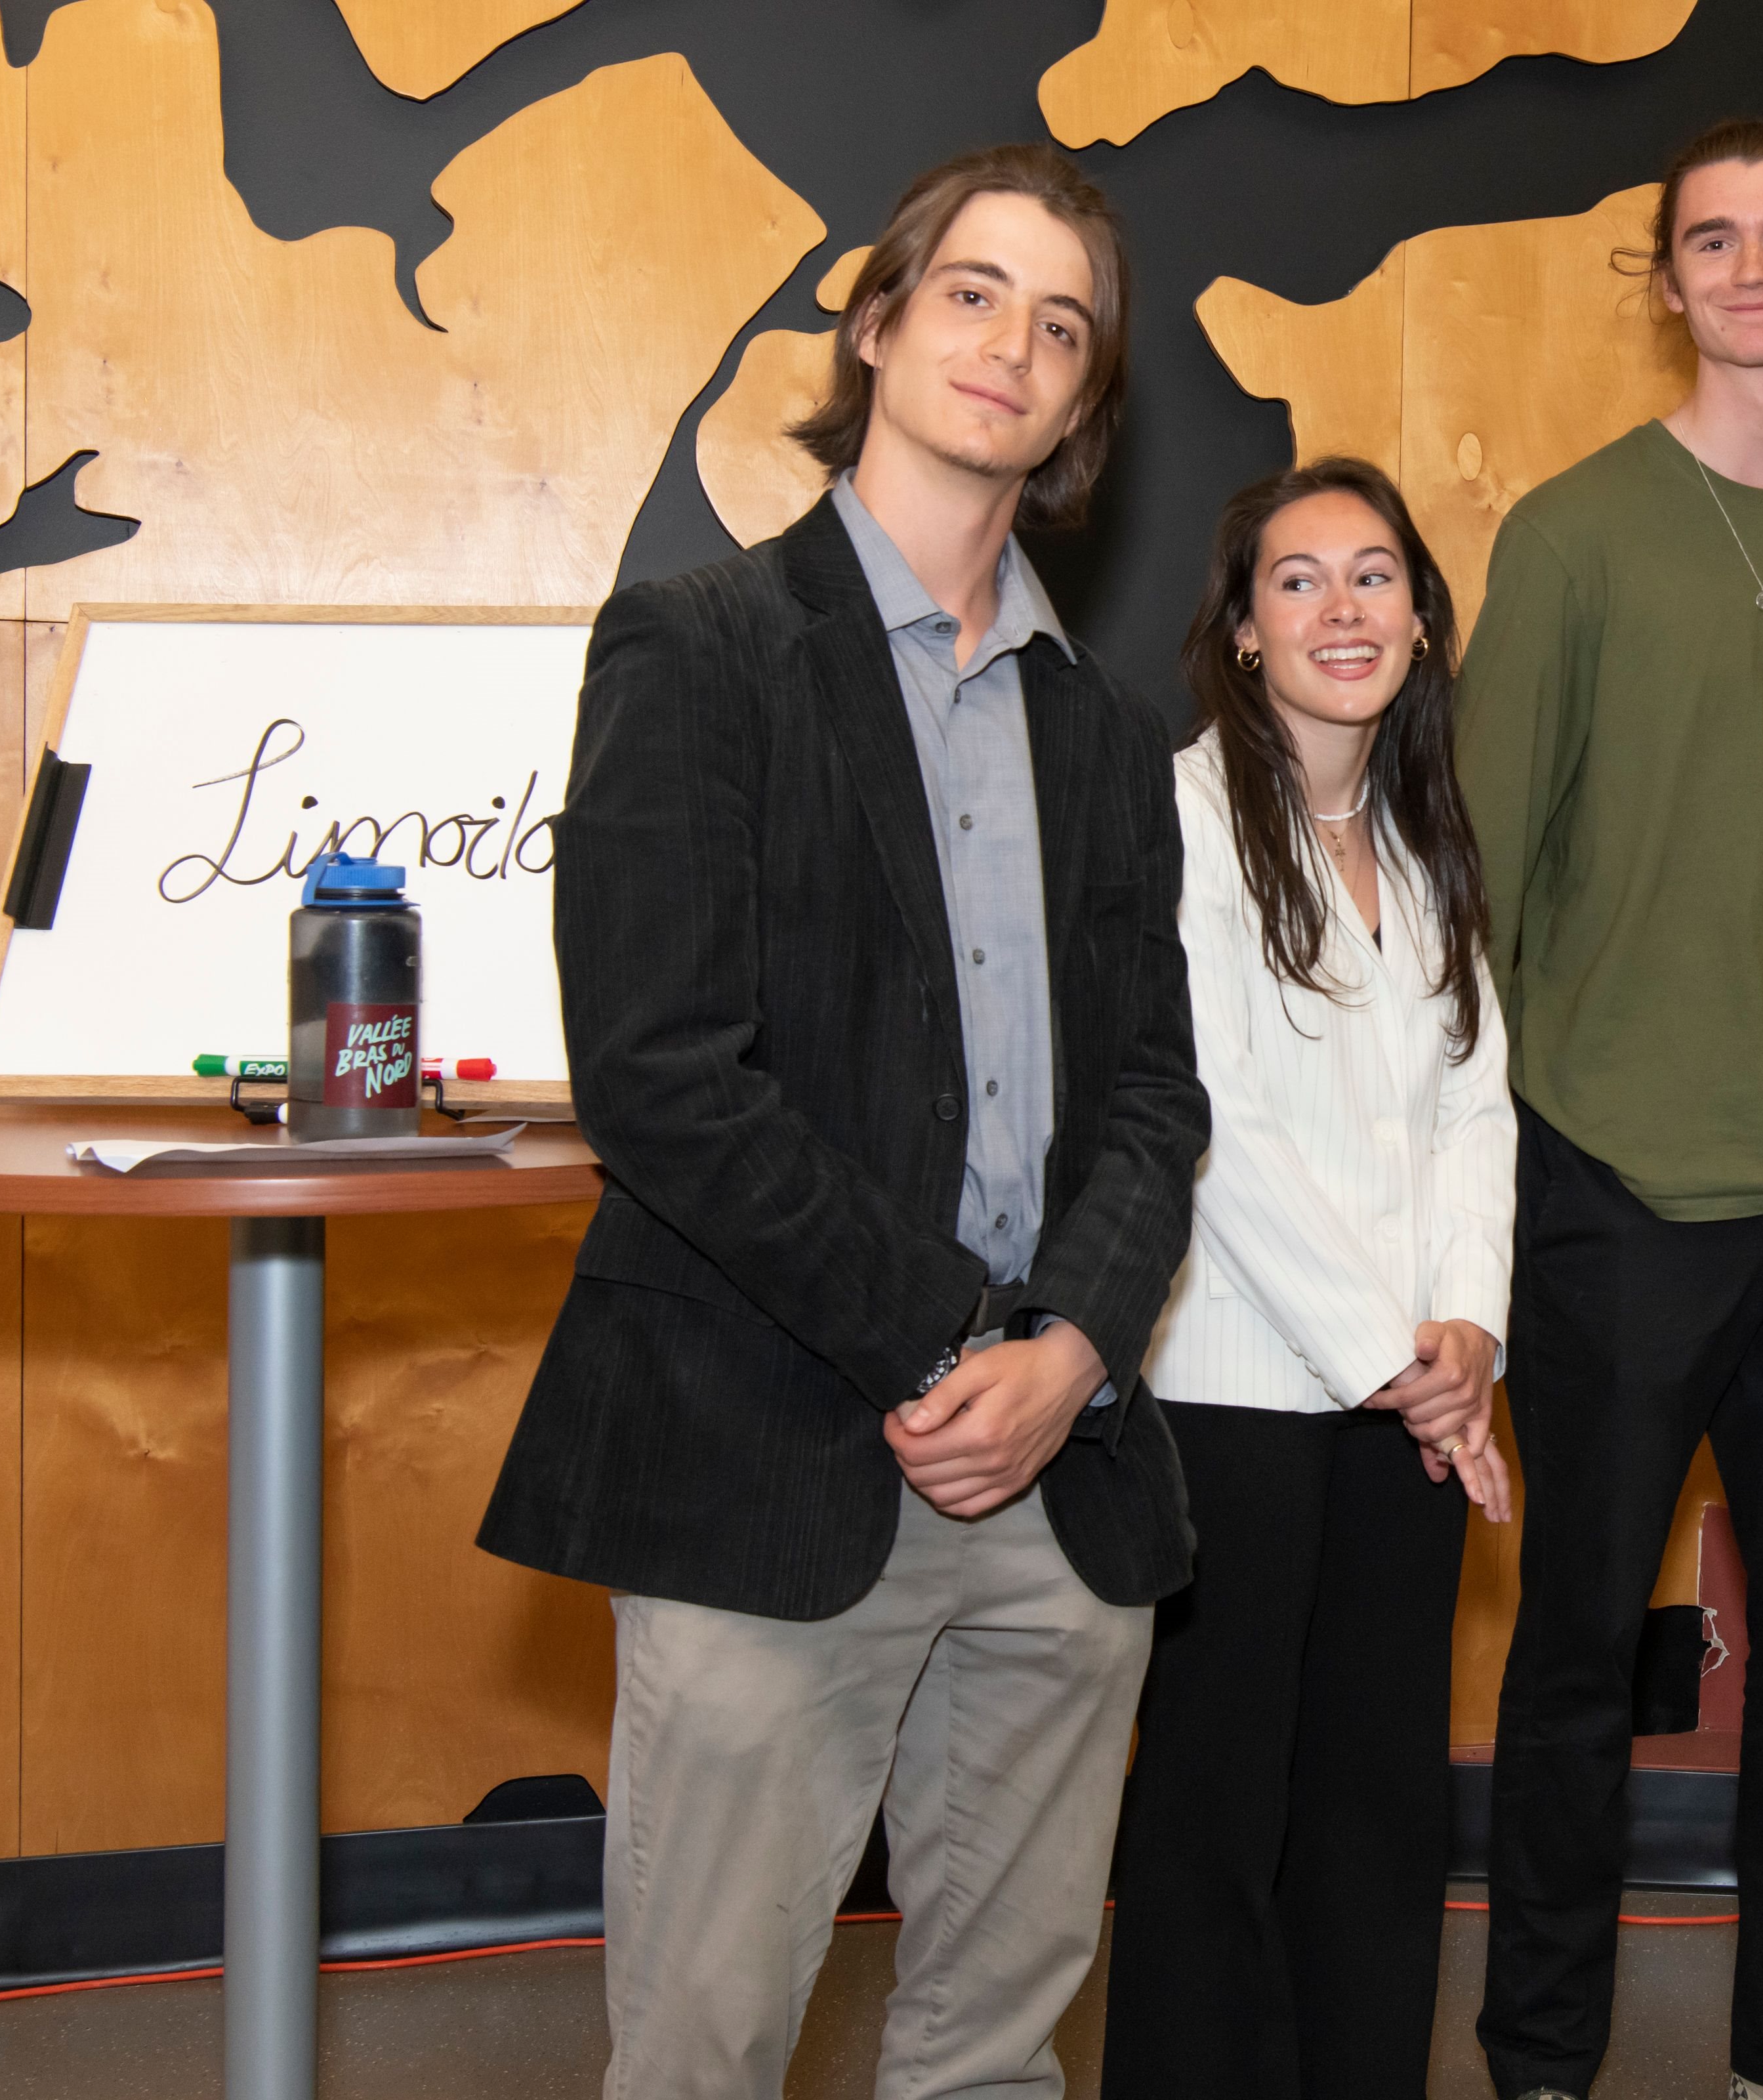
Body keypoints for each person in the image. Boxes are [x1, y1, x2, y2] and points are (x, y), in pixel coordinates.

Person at [476, 143, 1205, 2100]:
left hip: (1059, 1486)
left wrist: (1065, 1351)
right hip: (768, 1464)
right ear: (875, 328)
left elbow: (1155, 1087)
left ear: (1080, 407)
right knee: (706, 2050)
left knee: (996, 2056)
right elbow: (661, 1079)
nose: (1014, 344)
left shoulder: (1111, 734)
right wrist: (953, 1340)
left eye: (1063, 327)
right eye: (973, 293)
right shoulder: (696, 651)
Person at [1457, 117, 1763, 2100]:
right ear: (1666, 281)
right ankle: (1542, 2060)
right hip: (1614, 1184)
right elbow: (1480, 881)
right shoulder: (1571, 537)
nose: (1753, 270)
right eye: (1713, 241)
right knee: (1578, 1655)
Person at [1100, 456, 1519, 2097]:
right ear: (1245, 629)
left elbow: (1478, 1096)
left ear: (1421, 623)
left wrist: (1471, 1329)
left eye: (1375, 577)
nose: (1342, 608)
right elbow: (1217, 1126)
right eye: (1299, 579)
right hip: (1238, 1401)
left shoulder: (1423, 836)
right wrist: (1399, 1361)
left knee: (1378, 1805)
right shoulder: (1186, 816)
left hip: (1407, 1409)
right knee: (1216, 1814)